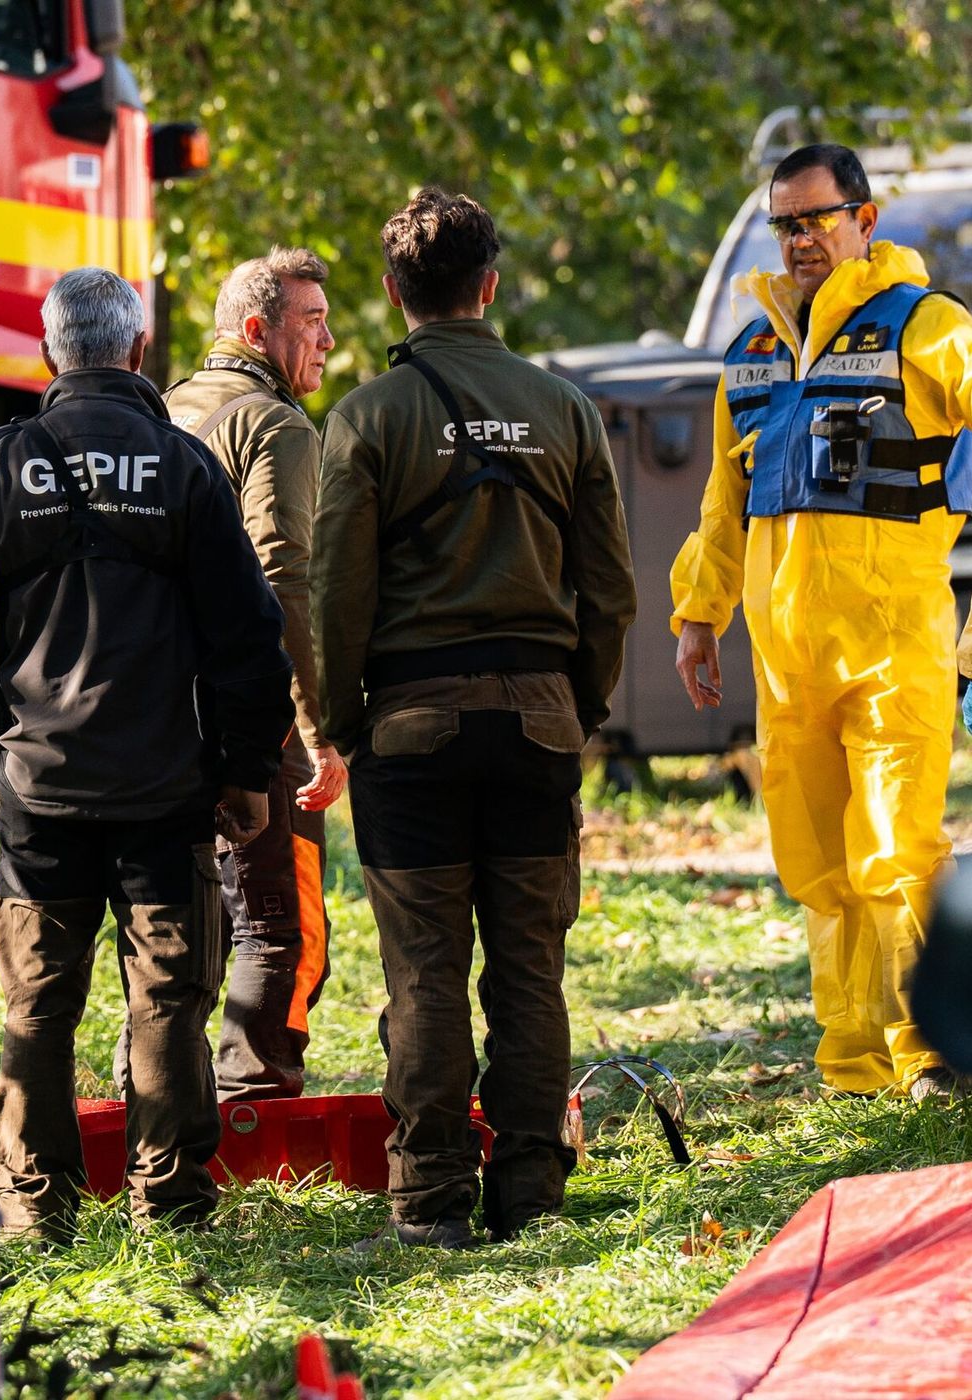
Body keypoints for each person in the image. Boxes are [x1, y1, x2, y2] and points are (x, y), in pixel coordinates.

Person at [0, 267, 294, 1240]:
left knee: (36, 1000)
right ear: (140, 351)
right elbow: (249, 637)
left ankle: (34, 1202)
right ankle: (171, 1203)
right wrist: (243, 772)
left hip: (39, 794)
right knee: (166, 998)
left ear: (45, 354)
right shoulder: (185, 468)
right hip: (165, 789)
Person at [311, 189, 636, 1249]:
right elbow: (610, 587)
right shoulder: (567, 409)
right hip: (538, 714)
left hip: (409, 725)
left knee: (423, 972)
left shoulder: (365, 415)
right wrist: (577, 701)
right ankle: (532, 1191)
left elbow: (335, 594)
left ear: (393, 292)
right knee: (528, 968)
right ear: (489, 284)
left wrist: (341, 720)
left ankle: (430, 1201)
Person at [672, 142, 972, 1102]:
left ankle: (929, 1055)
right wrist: (697, 614)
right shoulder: (751, 354)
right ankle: (854, 1064)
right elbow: (726, 499)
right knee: (818, 867)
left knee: (895, 855)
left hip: (895, 649)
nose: (803, 238)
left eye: (819, 217)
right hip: (788, 663)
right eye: (787, 223)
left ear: (865, 219)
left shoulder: (925, 325)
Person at [160, 247, 345, 1100]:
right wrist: (316, 729)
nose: (329, 342)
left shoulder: (162, 413)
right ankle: (254, 1113)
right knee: (282, 928)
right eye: (310, 324)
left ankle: (158, 1105)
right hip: (253, 719)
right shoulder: (275, 425)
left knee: (177, 929)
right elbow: (285, 581)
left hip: (156, 718)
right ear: (254, 331)